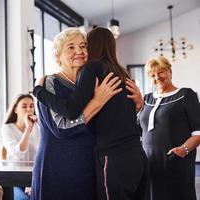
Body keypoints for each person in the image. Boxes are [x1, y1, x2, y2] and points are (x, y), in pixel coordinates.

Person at [33, 27, 149, 200]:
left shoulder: (92, 82)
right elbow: (62, 130)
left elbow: (115, 121)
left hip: (92, 165)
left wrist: (138, 105)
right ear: (58, 56)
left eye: (83, 46)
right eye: (71, 47)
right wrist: (97, 102)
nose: (79, 51)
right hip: (58, 166)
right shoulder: (50, 82)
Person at [138, 56, 200, 200]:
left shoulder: (185, 95)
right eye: (152, 75)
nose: (157, 77)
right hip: (150, 163)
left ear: (170, 72)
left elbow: (198, 132)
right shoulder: (146, 99)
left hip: (176, 161)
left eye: (161, 72)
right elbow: (137, 130)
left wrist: (183, 150)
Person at [2, 93, 40, 200]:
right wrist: (28, 128)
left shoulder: (38, 128)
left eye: (31, 106)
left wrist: (31, 182)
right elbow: (18, 153)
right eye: (24, 106)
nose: (29, 109)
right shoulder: (7, 129)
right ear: (15, 109)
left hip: (34, 178)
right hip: (14, 180)